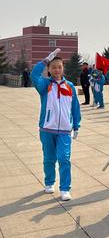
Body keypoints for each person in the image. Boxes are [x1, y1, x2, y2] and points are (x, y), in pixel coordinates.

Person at [30, 48, 81, 201]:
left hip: (64, 130)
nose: (57, 70)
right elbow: (34, 75)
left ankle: (65, 188)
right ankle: (49, 182)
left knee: (64, 159)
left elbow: (75, 108)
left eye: (59, 67)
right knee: (49, 158)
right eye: (53, 67)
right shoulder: (45, 85)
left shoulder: (70, 86)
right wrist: (45, 60)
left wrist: (76, 125)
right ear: (49, 69)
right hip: (47, 129)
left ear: (63, 68)